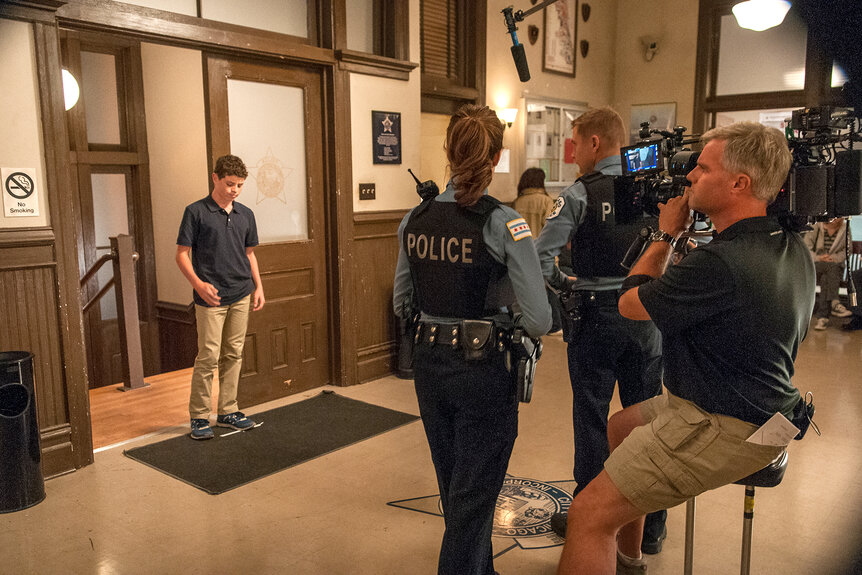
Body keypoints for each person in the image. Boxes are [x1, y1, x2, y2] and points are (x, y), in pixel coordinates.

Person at [556, 122, 815, 575]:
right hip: (762, 408)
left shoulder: (720, 262)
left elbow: (630, 302)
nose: (689, 175)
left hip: (722, 422)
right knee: (621, 426)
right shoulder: (789, 244)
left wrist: (665, 234)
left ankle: (605, 541)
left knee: (586, 516)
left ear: (740, 183)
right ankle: (629, 560)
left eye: (702, 167)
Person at [392, 104, 551, 575]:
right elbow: (539, 318)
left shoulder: (414, 218)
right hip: (482, 370)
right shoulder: (503, 223)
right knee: (474, 496)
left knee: (456, 486)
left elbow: (402, 301)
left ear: (447, 151)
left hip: (428, 364)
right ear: (498, 156)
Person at [534, 107, 667, 553]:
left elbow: (541, 258)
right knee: (648, 419)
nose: (573, 155)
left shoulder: (578, 193)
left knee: (592, 418)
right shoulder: (653, 189)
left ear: (594, 143)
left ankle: (590, 518)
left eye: (575, 144)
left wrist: (565, 286)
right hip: (646, 313)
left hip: (594, 316)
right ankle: (649, 529)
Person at [176, 154, 266, 440]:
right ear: (215, 178)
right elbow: (181, 254)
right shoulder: (196, 212)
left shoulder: (246, 215)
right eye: (229, 184)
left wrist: (259, 287)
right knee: (209, 356)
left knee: (234, 353)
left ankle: (228, 410)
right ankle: (200, 416)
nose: (234, 190)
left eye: (239, 185)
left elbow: (249, 254)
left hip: (241, 292)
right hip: (211, 296)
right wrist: (199, 284)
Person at [804, 218, 852, 330]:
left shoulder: (845, 228)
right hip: (817, 265)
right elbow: (806, 247)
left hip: (834, 267)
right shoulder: (817, 226)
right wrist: (819, 257)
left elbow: (847, 250)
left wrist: (832, 258)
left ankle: (822, 319)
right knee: (830, 270)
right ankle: (835, 302)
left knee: (827, 278)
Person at [513, 167, 555, 236]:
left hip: (521, 245)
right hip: (541, 245)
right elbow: (551, 229)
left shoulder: (517, 202)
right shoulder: (546, 201)